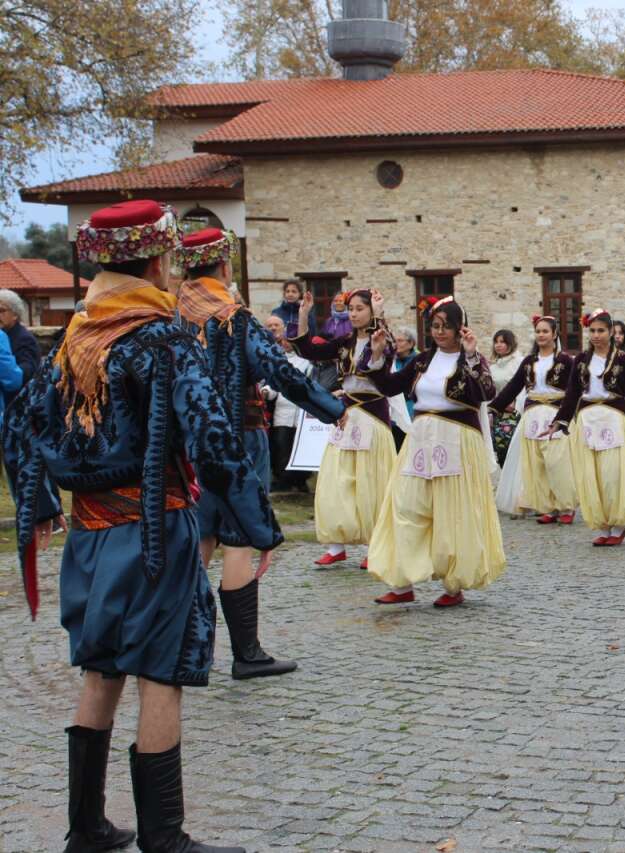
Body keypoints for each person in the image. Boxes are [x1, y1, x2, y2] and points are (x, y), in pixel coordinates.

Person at [3, 199, 285, 852]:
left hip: (91, 537)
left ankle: (86, 826)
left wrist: (40, 503)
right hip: (157, 534)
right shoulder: (160, 337)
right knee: (161, 671)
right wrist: (255, 521)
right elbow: (213, 440)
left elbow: (24, 426)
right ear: (158, 259)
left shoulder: (77, 335)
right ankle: (165, 835)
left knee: (101, 670)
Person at [175, 228, 345, 680]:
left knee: (199, 540)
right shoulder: (233, 318)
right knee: (237, 537)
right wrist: (331, 408)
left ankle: (181, 647)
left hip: (186, 445)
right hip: (236, 437)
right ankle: (246, 652)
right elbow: (280, 372)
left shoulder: (173, 317)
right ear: (225, 267)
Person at [363, 296, 506, 606]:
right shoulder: (422, 360)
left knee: (452, 511)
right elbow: (389, 386)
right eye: (435, 326)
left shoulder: (473, 359)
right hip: (421, 437)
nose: (440, 332)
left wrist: (469, 357)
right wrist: (376, 357)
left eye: (447, 327)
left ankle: (453, 584)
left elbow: (486, 392)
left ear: (459, 329)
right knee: (406, 505)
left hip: (456, 439)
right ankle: (402, 582)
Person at [290, 288, 400, 568]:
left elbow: (376, 364)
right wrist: (304, 314)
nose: (353, 313)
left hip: (373, 417)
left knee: (370, 482)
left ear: (371, 311)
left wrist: (379, 315)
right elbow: (309, 350)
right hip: (347, 417)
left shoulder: (383, 340)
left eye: (360, 308)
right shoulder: (344, 342)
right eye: (350, 309)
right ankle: (336, 544)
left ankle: (374, 543)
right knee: (337, 480)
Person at [544, 309, 625, 546]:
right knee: (592, 476)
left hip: (613, 419)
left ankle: (618, 524)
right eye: (593, 330)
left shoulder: (622, 359)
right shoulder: (582, 360)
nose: (596, 335)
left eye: (601, 330)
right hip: (587, 421)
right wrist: (559, 421)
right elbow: (572, 393)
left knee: (611, 475)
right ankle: (603, 526)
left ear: (611, 332)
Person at [493, 316, 577, 523]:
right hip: (532, 417)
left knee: (557, 462)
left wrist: (566, 416)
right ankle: (548, 507)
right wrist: (493, 407)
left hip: (554, 415)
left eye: (545, 331)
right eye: (538, 331)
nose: (541, 335)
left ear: (554, 334)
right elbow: (513, 387)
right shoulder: (529, 362)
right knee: (536, 464)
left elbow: (573, 390)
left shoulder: (565, 361)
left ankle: (566, 506)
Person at [261, 315, 314, 492]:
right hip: (283, 410)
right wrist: (267, 391)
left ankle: (300, 480)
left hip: (300, 410)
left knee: (300, 448)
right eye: (283, 341)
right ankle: (283, 479)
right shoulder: (279, 360)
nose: (285, 344)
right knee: (281, 446)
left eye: (288, 341)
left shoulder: (307, 362)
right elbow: (275, 383)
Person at [488, 329, 524, 467]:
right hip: (499, 413)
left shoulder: (519, 362)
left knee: (515, 449)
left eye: (502, 342)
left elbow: (524, 386)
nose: (498, 345)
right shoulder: (493, 367)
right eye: (496, 342)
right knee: (500, 448)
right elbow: (492, 391)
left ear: (510, 343)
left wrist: (516, 403)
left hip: (515, 412)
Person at [0, 288, 39, 386]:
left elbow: (28, 369)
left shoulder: (25, 338)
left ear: (15, 315)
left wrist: (8, 373)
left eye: (1, 310)